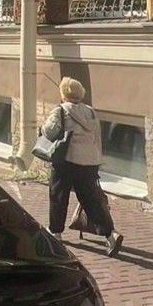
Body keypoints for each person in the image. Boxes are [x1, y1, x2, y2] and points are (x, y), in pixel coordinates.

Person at [42, 77, 124, 256]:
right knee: (91, 200)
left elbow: (48, 132)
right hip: (89, 162)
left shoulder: (60, 110)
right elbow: (96, 137)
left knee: (58, 196)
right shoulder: (91, 112)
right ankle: (110, 234)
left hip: (66, 161)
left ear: (63, 93)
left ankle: (56, 232)